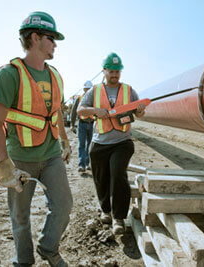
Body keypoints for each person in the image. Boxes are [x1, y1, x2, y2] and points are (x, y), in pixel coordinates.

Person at [0, 11, 73, 267]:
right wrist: (6, 168)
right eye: (51, 38)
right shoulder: (8, 75)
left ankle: (48, 247)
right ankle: (23, 261)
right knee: (20, 217)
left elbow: (56, 111)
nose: (55, 44)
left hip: (51, 156)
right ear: (35, 38)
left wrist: (65, 142)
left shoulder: (55, 75)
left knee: (63, 206)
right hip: (21, 159)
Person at [77, 52, 146, 235]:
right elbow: (80, 111)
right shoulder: (95, 91)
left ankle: (119, 218)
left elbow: (139, 114)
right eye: (111, 71)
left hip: (122, 142)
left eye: (117, 71)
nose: (115, 75)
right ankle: (105, 210)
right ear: (104, 71)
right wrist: (95, 110)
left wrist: (140, 111)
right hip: (100, 143)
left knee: (117, 174)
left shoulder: (129, 91)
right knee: (101, 179)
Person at [70, 81, 94, 172]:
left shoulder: (95, 99)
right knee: (82, 145)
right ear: (84, 89)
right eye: (86, 89)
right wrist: (72, 124)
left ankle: (87, 164)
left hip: (92, 124)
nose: (88, 91)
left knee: (90, 145)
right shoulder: (79, 99)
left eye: (89, 89)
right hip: (82, 124)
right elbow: (73, 111)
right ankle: (82, 165)